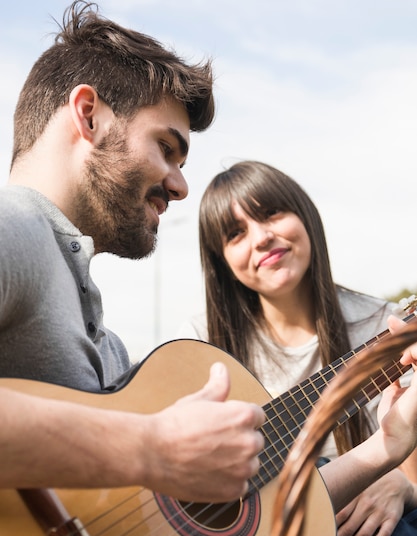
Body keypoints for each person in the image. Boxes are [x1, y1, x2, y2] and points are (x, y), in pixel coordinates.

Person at [0, 1, 265, 503]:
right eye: (166, 148)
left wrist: (383, 449)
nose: (182, 185)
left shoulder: (107, 344)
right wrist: (151, 448)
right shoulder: (15, 229)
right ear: (88, 116)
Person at [177, 159, 417, 536]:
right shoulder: (202, 344)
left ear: (305, 216)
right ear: (222, 262)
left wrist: (404, 485)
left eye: (271, 213)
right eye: (236, 234)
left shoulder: (387, 327)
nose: (261, 237)